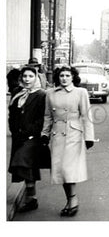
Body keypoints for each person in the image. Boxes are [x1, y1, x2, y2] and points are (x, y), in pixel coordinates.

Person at [41, 66, 95, 217]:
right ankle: (71, 200)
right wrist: (44, 134)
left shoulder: (80, 92)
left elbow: (86, 116)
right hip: (57, 135)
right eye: (61, 75)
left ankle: (73, 200)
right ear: (58, 77)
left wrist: (89, 137)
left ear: (73, 78)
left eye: (67, 75)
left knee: (67, 169)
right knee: (61, 171)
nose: (64, 78)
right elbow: (47, 116)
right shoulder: (50, 94)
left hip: (73, 135)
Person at [8, 65, 47, 212]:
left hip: (31, 137)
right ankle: (32, 198)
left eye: (30, 76)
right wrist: (14, 130)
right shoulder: (17, 92)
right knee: (26, 167)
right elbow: (12, 114)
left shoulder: (41, 95)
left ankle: (31, 198)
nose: (27, 79)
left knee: (24, 163)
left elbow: (42, 118)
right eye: (25, 76)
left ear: (36, 78)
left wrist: (30, 131)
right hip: (18, 136)